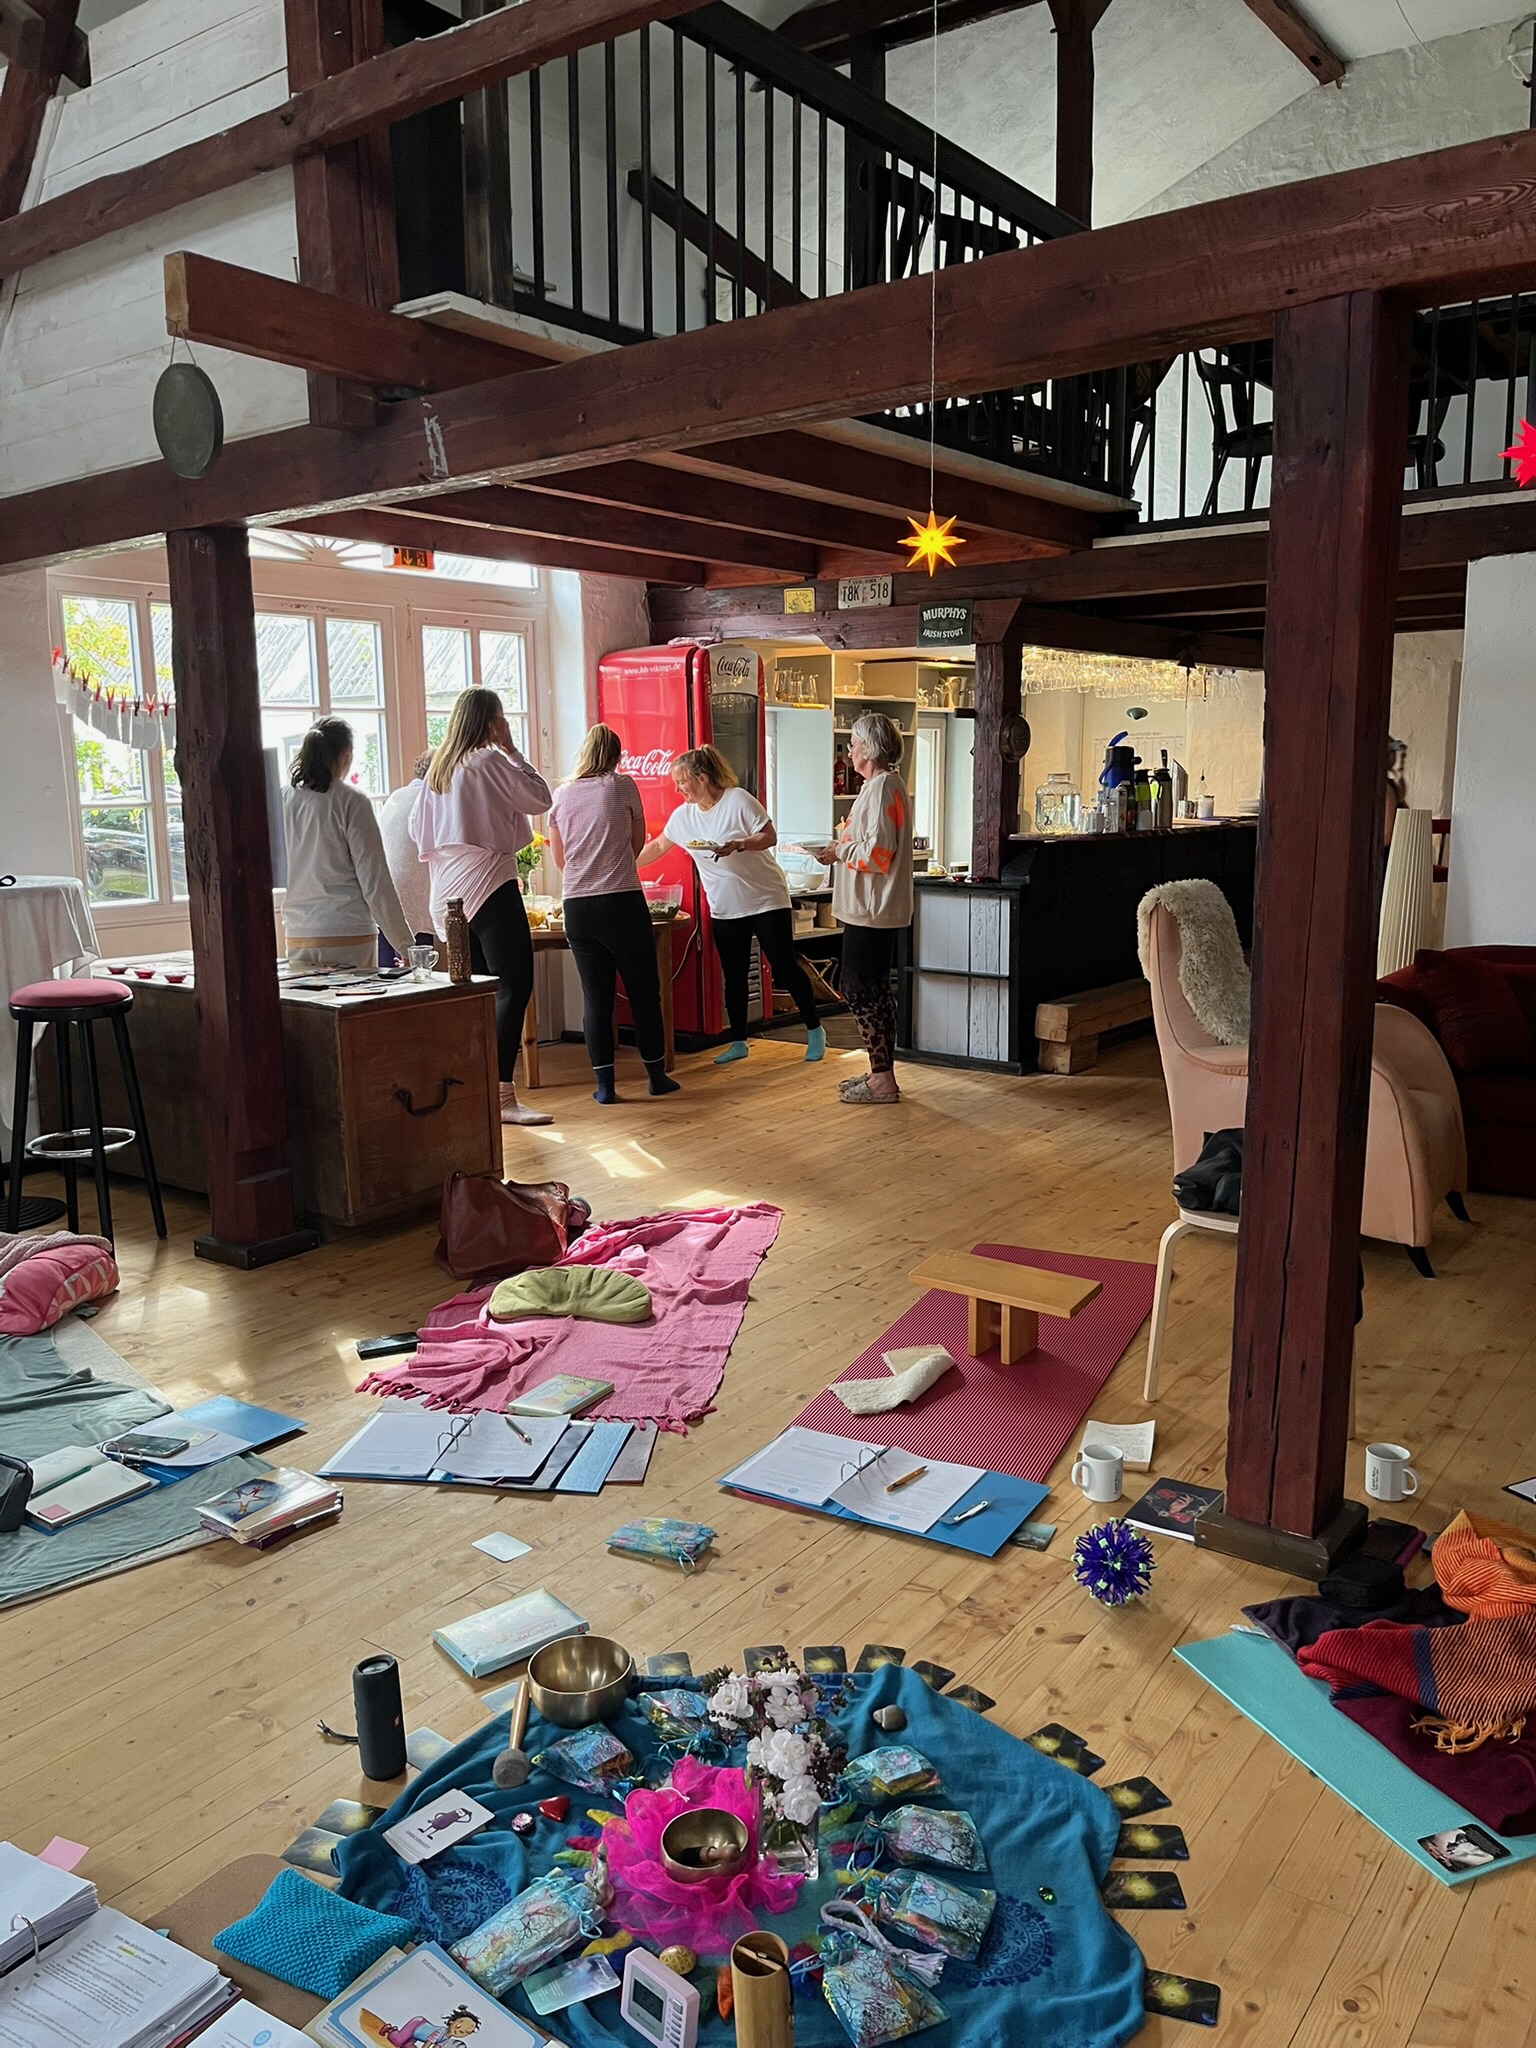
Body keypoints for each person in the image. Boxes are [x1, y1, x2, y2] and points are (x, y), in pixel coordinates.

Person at [410, 688, 553, 1128]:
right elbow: (540, 799)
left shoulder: (439, 767)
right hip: (488, 881)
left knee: (475, 994)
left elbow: (418, 831)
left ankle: (472, 1092)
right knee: (515, 984)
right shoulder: (488, 760)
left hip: (446, 891)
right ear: (492, 723)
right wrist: (511, 749)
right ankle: (501, 1094)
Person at [639, 744, 825, 1068]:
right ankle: (739, 1041)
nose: (678, 789)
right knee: (734, 974)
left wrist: (739, 844)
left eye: (682, 782)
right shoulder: (683, 817)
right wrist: (622, 865)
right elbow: (658, 846)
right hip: (725, 905)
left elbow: (768, 836)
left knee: (783, 966)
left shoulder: (737, 800)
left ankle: (815, 1030)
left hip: (766, 898)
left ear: (701, 778)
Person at [547, 723, 681, 1105]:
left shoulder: (561, 794)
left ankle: (605, 1086)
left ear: (583, 753)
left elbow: (559, 860)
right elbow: (637, 844)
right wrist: (616, 862)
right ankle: (656, 1077)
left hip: (577, 905)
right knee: (643, 991)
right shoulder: (621, 786)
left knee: (596, 998)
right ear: (617, 756)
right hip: (621, 900)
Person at [810, 711, 913, 1105]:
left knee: (856, 988)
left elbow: (878, 854)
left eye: (853, 744)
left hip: (871, 907)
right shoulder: (885, 785)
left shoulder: (881, 788)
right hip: (876, 907)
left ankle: (882, 1079)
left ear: (869, 748)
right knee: (876, 989)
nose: (849, 751)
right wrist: (840, 851)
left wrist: (839, 850)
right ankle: (880, 1072)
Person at [280, 716, 415, 971]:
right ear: (346, 754)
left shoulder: (283, 800)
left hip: (298, 932)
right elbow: (375, 880)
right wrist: (405, 944)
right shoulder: (352, 801)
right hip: (349, 932)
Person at [379, 750, 435, 944]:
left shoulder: (396, 796)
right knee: (420, 957)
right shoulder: (431, 800)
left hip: (383, 892)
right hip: (414, 895)